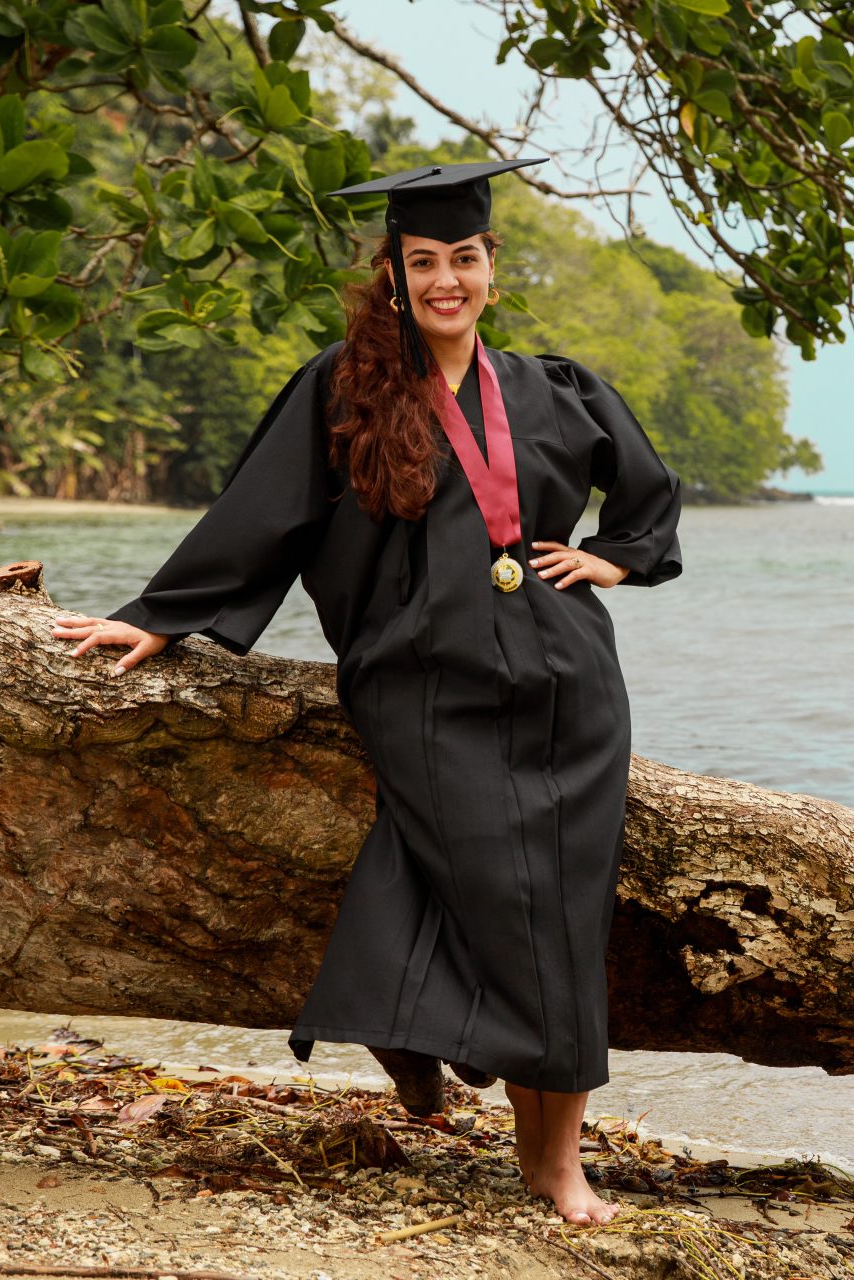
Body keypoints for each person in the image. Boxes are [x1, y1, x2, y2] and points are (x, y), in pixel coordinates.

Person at [51, 156, 683, 1226]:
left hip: (568, 685)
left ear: (492, 269)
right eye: (423, 261)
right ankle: (410, 1020)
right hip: (422, 684)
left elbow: (651, 492)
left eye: (464, 259)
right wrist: (161, 614)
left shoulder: (552, 387)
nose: (446, 279)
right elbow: (263, 513)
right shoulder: (346, 389)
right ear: (392, 275)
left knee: (564, 921)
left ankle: (553, 1157)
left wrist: (614, 559)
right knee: (485, 888)